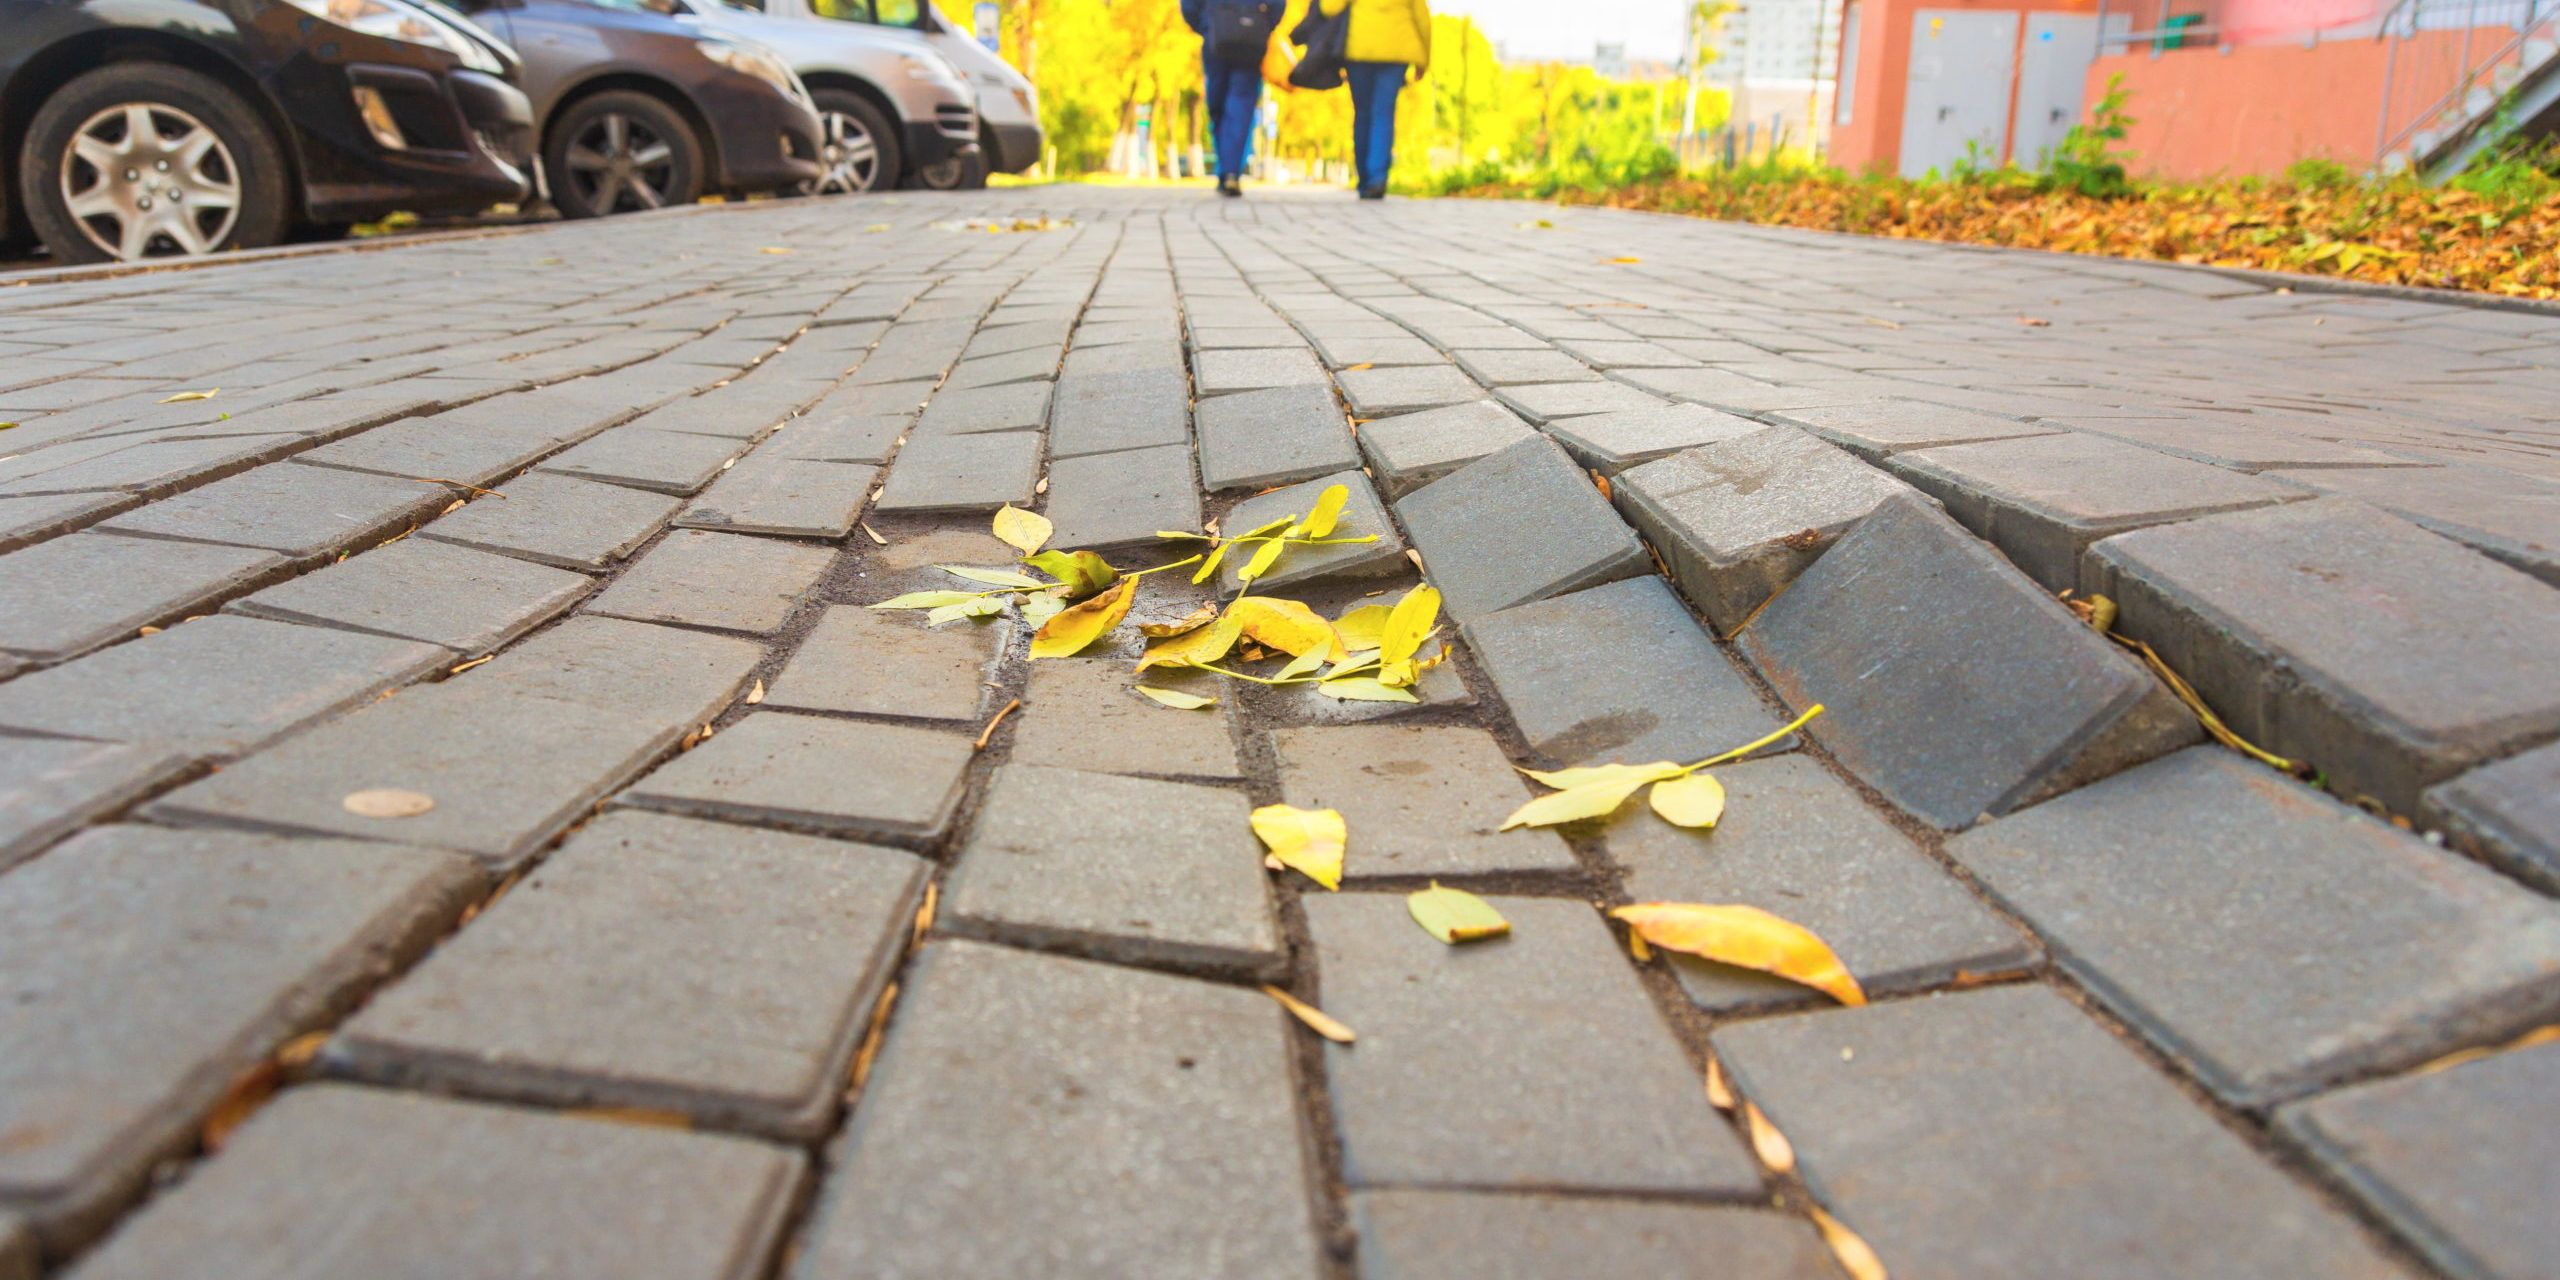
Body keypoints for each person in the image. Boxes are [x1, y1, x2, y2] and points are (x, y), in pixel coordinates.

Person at [1317, 0, 1429, 199]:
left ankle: (1365, 178)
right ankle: (1378, 177)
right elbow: (1422, 18)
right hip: (1397, 50)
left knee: (1363, 114)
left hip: (1360, 48)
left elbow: (1329, 7)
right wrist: (1424, 58)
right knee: (1383, 114)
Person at [1182, 0, 1274, 196]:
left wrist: (1207, 25)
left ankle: (1228, 170)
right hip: (1246, 36)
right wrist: (1262, 23)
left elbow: (1189, 7)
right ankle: (1230, 170)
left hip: (1223, 36)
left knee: (1223, 106)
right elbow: (1278, 5)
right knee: (1236, 107)